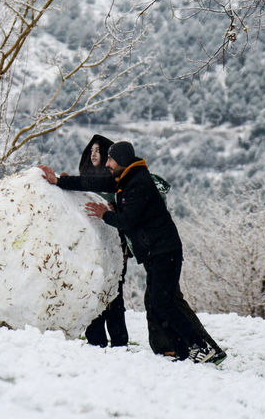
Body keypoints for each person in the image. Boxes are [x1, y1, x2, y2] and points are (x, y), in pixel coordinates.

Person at [39, 141, 223, 364]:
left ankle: (200, 347)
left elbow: (128, 221)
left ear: (121, 161)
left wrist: (103, 214)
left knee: (163, 302)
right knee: (159, 303)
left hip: (165, 252)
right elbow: (92, 181)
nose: (107, 164)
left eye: (110, 159)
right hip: (156, 252)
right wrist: (59, 181)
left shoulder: (138, 184)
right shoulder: (125, 178)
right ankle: (185, 351)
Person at [72, 135, 129, 348]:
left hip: (115, 245)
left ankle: (119, 339)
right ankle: (95, 339)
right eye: (91, 150)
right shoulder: (85, 179)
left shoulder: (114, 182)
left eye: (98, 150)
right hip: (91, 245)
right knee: (92, 290)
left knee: (113, 293)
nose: (94, 154)